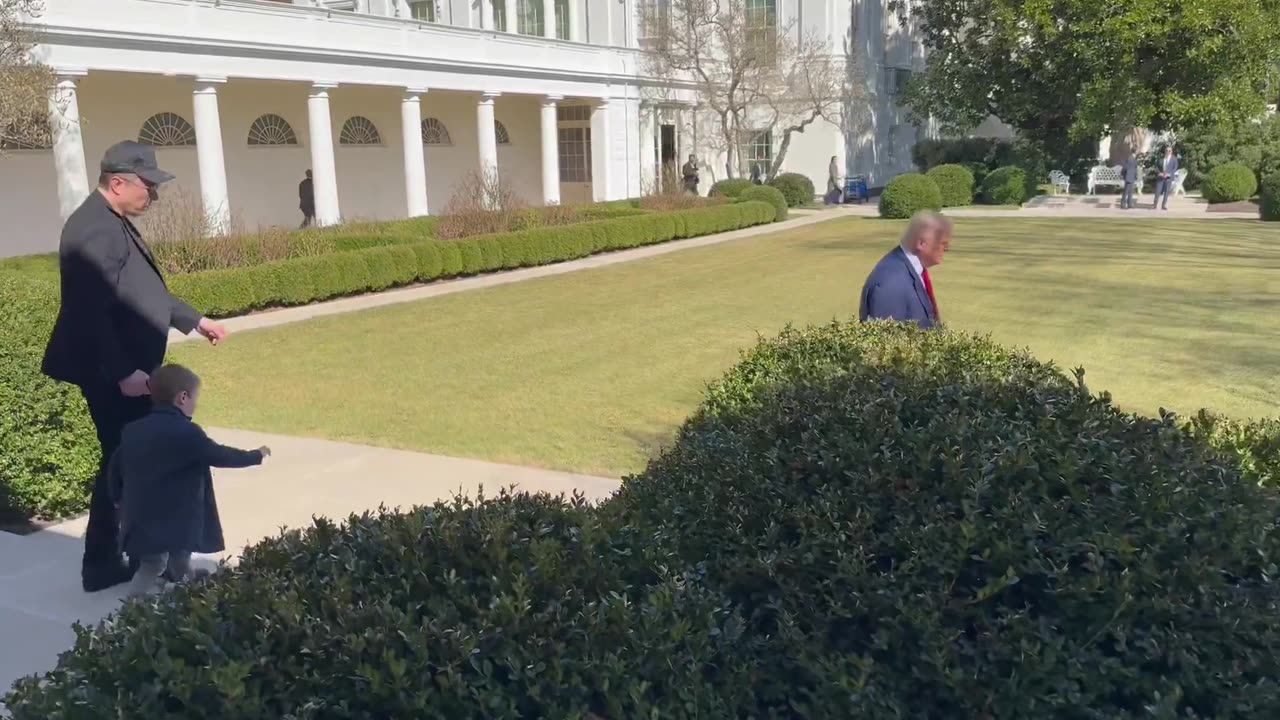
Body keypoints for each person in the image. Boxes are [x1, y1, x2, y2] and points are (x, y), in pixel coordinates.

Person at [41, 140, 229, 593]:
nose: (155, 195)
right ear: (119, 182)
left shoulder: (111, 221)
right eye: (149, 186)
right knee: (132, 463)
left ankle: (121, 560)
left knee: (129, 463)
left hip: (129, 371)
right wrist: (123, 371)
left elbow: (141, 291)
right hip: (116, 376)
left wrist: (192, 319)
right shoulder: (93, 229)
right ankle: (122, 561)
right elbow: (88, 311)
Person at [108, 364, 270, 597]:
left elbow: (116, 466)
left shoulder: (133, 430)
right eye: (196, 397)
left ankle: (186, 586)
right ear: (182, 397)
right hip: (176, 516)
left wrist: (116, 496)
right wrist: (256, 455)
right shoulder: (187, 433)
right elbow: (220, 455)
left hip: (141, 516)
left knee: (160, 560)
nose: (196, 402)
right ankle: (139, 605)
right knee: (167, 560)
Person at [859, 211, 952, 329]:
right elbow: (888, 343)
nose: (947, 249)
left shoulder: (913, 269)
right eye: (943, 243)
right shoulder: (890, 283)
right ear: (921, 243)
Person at [1152, 146, 1178, 211]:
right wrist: (1159, 173)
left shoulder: (1174, 159)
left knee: (1166, 192)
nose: (1168, 152)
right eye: (1167, 150)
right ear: (1165, 151)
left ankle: (1163, 205)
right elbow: (1156, 167)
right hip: (1160, 177)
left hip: (1168, 178)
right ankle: (1155, 205)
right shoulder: (1161, 158)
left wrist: (1169, 174)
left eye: (1169, 151)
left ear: (1171, 152)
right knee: (1157, 191)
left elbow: (1175, 168)